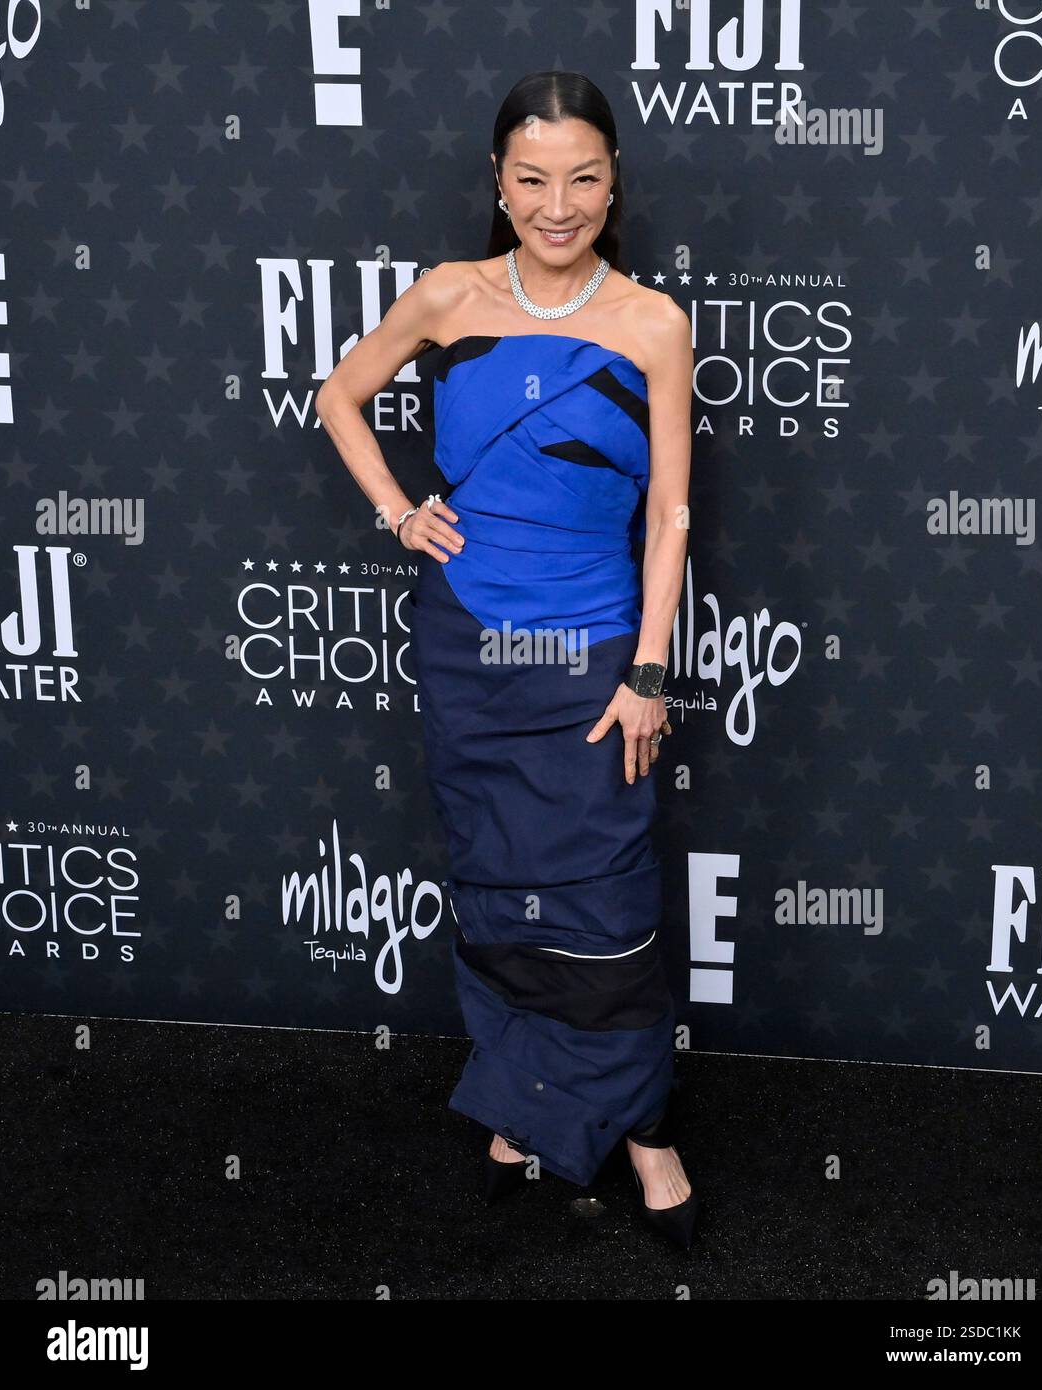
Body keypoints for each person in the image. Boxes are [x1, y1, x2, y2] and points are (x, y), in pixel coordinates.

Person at [316, 70, 696, 1249]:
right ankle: (521, 1101)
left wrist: (646, 673)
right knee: (492, 877)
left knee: (606, 894)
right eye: (532, 178)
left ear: (614, 179)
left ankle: (641, 1129)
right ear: (499, 181)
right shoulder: (445, 295)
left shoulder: (651, 323)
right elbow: (339, 395)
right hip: (468, 649)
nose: (558, 202)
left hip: (590, 653)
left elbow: (673, 515)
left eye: (582, 176)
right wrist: (397, 512)